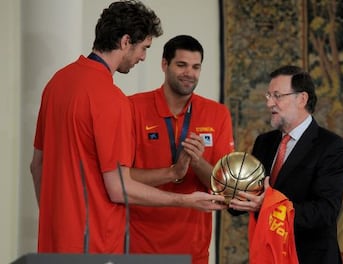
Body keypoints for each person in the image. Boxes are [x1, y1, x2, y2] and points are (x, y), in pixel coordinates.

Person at [30, 1, 226, 254]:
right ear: (125, 42)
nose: (143, 57)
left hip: (53, 241)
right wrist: (185, 200)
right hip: (95, 245)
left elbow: (37, 166)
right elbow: (119, 188)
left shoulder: (57, 83)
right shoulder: (112, 99)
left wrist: (54, 220)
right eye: (143, 48)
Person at [128, 35, 235, 264]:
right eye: (181, 65)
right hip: (138, 247)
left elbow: (225, 191)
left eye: (196, 67)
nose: (190, 73)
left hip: (193, 251)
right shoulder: (132, 108)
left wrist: (197, 162)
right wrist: (173, 171)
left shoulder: (217, 114)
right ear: (164, 64)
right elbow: (121, 177)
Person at [229, 65, 343, 263]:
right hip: (268, 255)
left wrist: (269, 206)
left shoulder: (331, 146)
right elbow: (243, 202)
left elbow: (325, 212)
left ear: (302, 99)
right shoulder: (264, 142)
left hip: (309, 257)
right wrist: (227, 189)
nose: (269, 103)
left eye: (277, 95)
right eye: (268, 95)